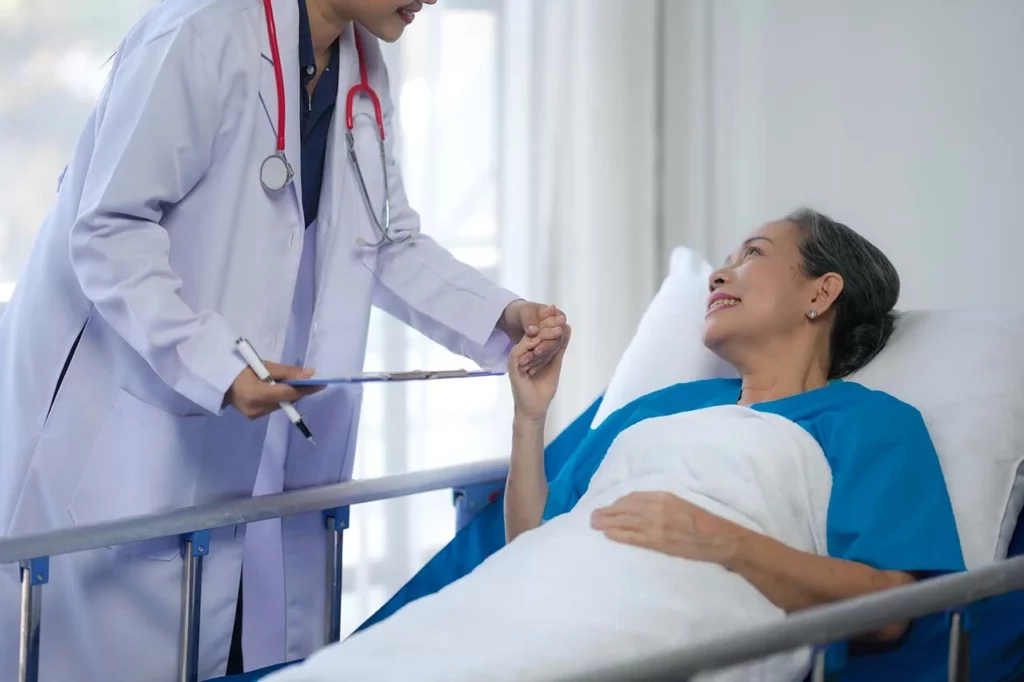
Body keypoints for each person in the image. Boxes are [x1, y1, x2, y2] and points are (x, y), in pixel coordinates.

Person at [0, 1, 567, 681]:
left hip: (248, 449)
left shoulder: (359, 67)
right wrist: (214, 362)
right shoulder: (198, 33)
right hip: (129, 434)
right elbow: (107, 231)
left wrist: (502, 313)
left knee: (245, 639)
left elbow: (385, 242)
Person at [263, 209, 965, 682]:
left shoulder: (873, 421)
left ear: (823, 292)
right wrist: (530, 418)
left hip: (675, 609)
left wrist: (719, 541)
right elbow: (535, 540)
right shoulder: (660, 410)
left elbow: (890, 609)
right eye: (720, 262)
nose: (720, 275)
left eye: (751, 256)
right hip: (533, 592)